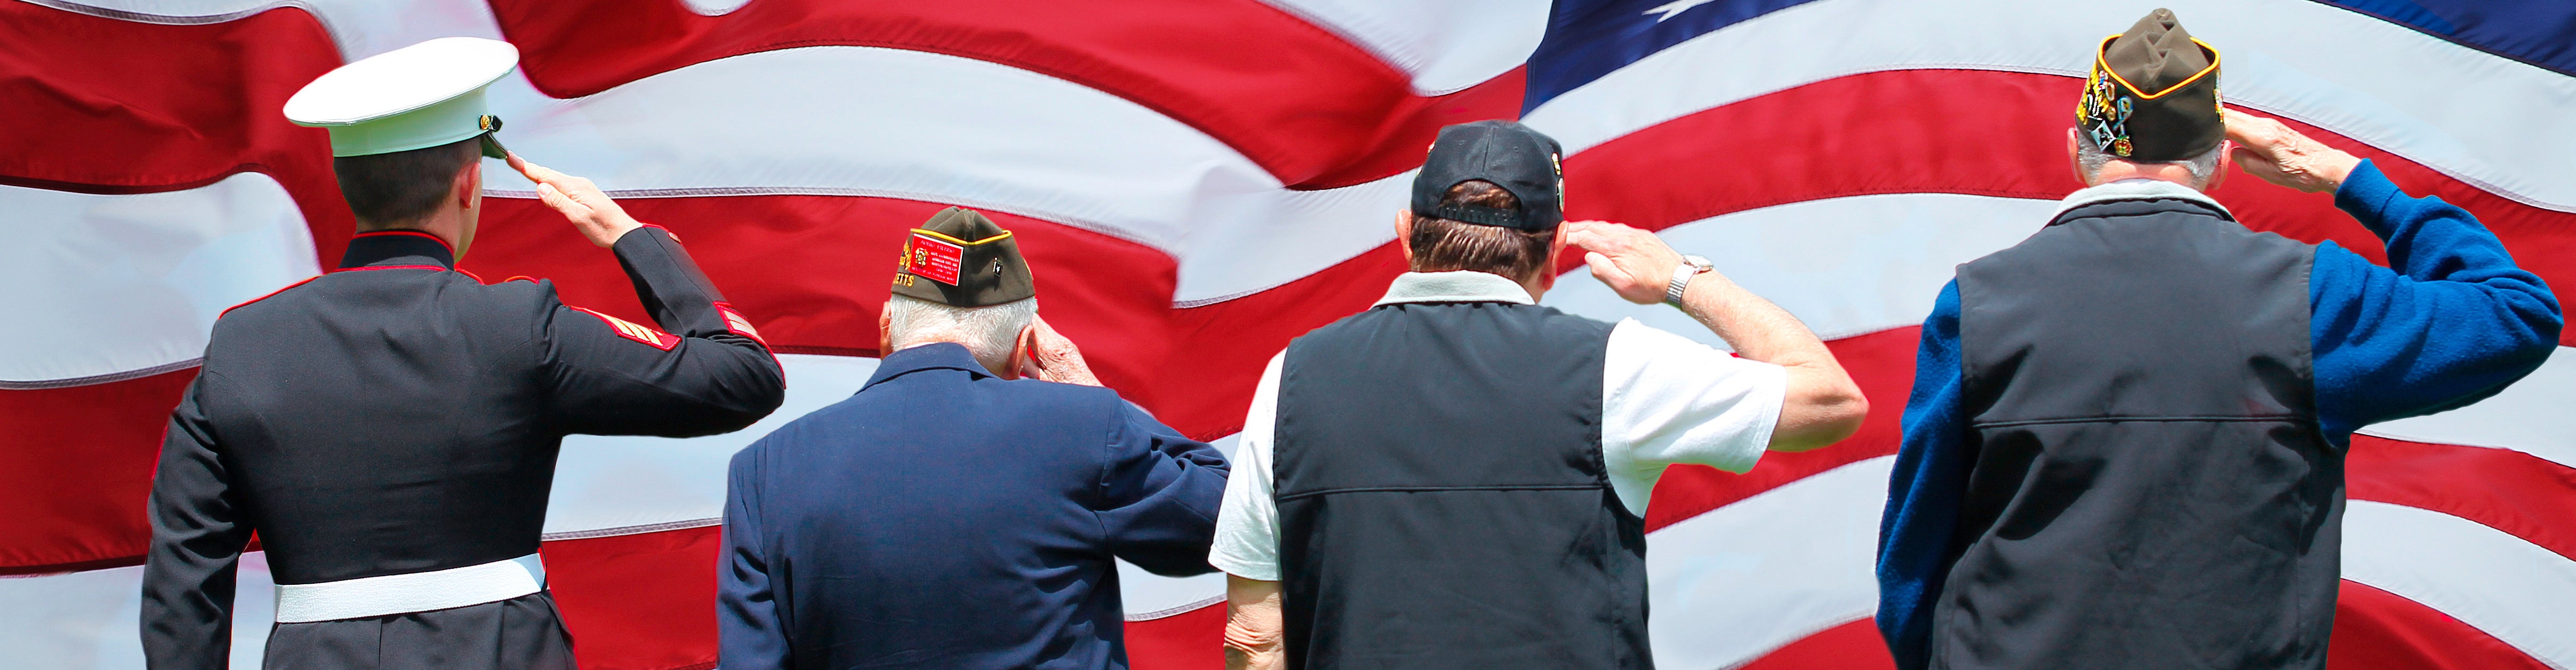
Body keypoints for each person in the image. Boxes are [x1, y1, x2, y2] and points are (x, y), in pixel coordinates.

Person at [1872, 10, 2562, 670]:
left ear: (2074, 150)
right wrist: (2347, 179)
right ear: (2224, 160)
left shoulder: (1979, 301)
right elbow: (2515, 314)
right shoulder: (2309, 294)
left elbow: (1914, 547)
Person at [140, 37, 788, 670]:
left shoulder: (243, 344)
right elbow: (745, 374)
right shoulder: (515, 326)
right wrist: (632, 236)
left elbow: (184, 578)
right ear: (469, 182)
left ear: (348, 184)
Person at [1213, 120, 1871, 669]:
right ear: (1556, 251)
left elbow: (1255, 635)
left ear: (1405, 230)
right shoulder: (1614, 366)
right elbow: (1832, 401)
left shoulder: (1293, 375)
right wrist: (1682, 279)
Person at [716, 207, 1231, 670]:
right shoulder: (1080, 427)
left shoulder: (763, 472)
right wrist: (1091, 392)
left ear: (885, 327)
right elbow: (1228, 521)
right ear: (1023, 348)